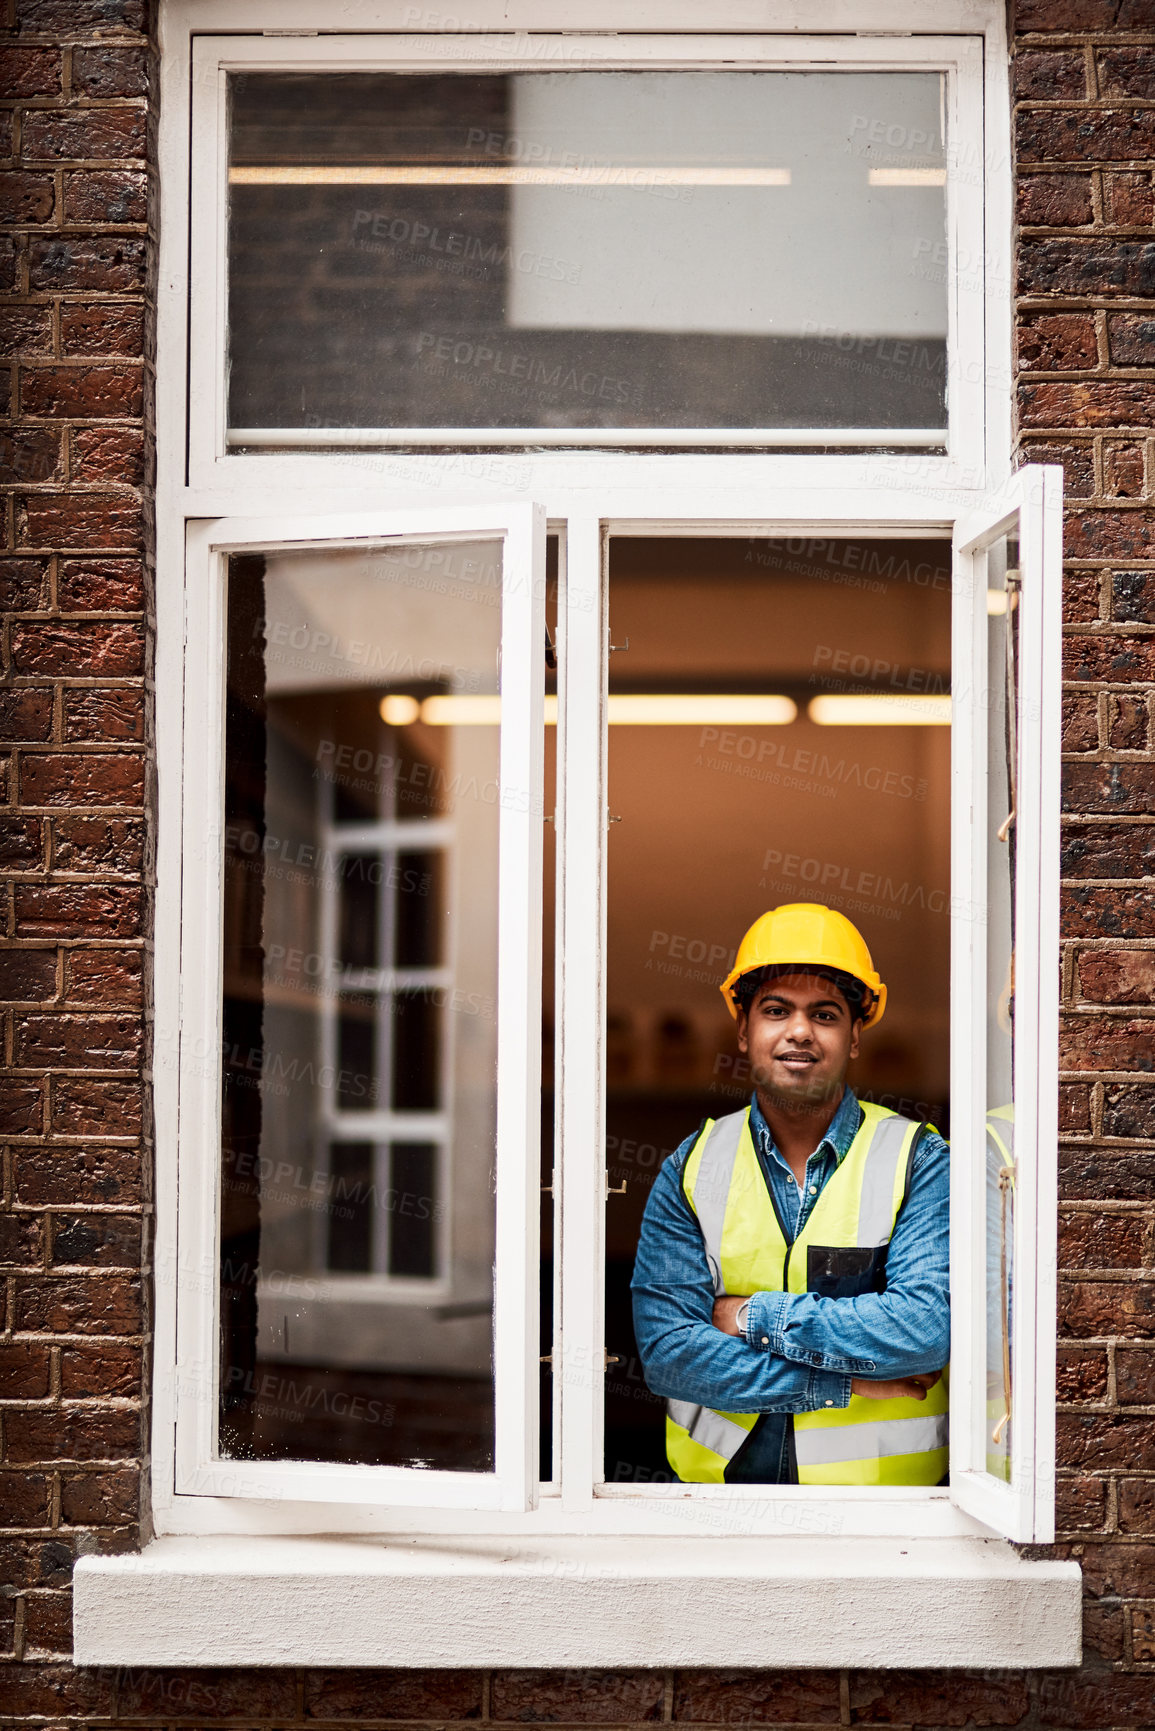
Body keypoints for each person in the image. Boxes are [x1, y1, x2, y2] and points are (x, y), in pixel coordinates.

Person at [631, 902, 949, 1485]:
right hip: (718, 1507)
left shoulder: (919, 1159)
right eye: (776, 1010)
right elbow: (670, 1353)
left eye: (824, 1014)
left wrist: (749, 1315)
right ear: (744, 1030)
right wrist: (841, 1381)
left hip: (888, 1521)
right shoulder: (692, 1164)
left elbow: (922, 1333)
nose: (799, 1031)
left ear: (855, 1036)